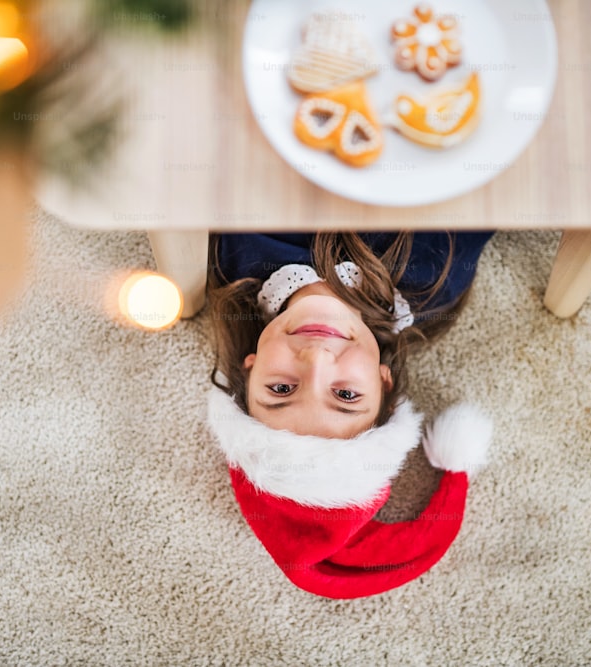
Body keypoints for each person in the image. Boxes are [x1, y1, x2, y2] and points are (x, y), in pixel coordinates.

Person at [205, 231, 494, 599]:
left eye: (281, 389)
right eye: (345, 394)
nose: (317, 358)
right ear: (384, 385)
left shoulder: (239, 255)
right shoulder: (435, 277)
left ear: (249, 370)